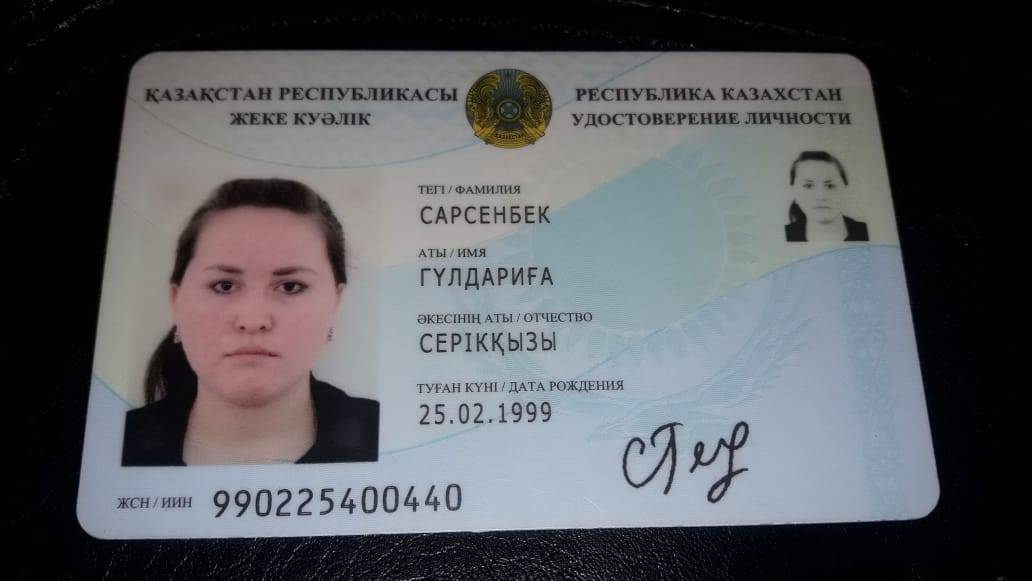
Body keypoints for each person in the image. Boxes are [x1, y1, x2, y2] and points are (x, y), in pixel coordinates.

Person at [122, 178, 378, 466]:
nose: (253, 320)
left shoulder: (384, 434)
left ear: (335, 302)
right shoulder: (116, 441)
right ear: (176, 301)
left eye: (290, 286)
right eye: (224, 286)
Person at [784, 151, 869, 242]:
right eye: (808, 186)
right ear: (793, 192)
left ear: (846, 190)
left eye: (830, 186)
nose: (821, 196)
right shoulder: (783, 235)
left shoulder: (866, 231)